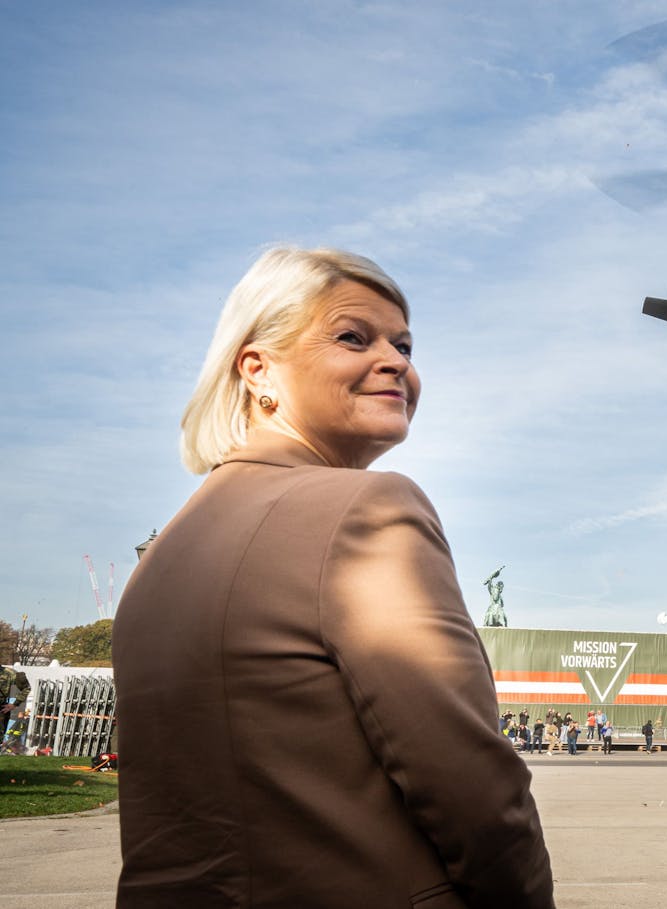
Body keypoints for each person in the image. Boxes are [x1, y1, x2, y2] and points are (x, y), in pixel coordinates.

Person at [111, 247, 553, 907]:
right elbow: (472, 789)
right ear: (258, 368)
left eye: (404, 344)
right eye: (354, 336)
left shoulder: (160, 561)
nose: (397, 361)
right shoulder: (368, 509)